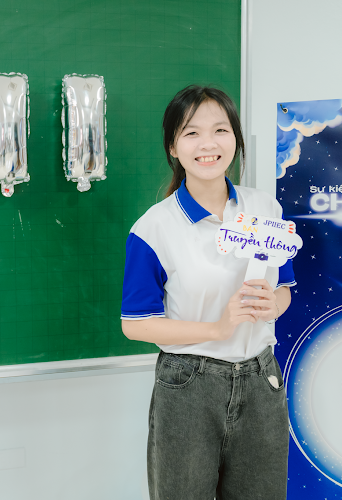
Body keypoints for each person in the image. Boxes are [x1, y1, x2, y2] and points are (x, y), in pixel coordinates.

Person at [121, 85, 295, 500]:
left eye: (220, 130)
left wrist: (272, 305)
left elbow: (284, 290)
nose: (208, 144)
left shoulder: (265, 209)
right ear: (173, 146)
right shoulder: (153, 228)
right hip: (189, 385)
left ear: (235, 138)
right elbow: (135, 325)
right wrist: (217, 328)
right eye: (192, 133)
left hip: (262, 379)